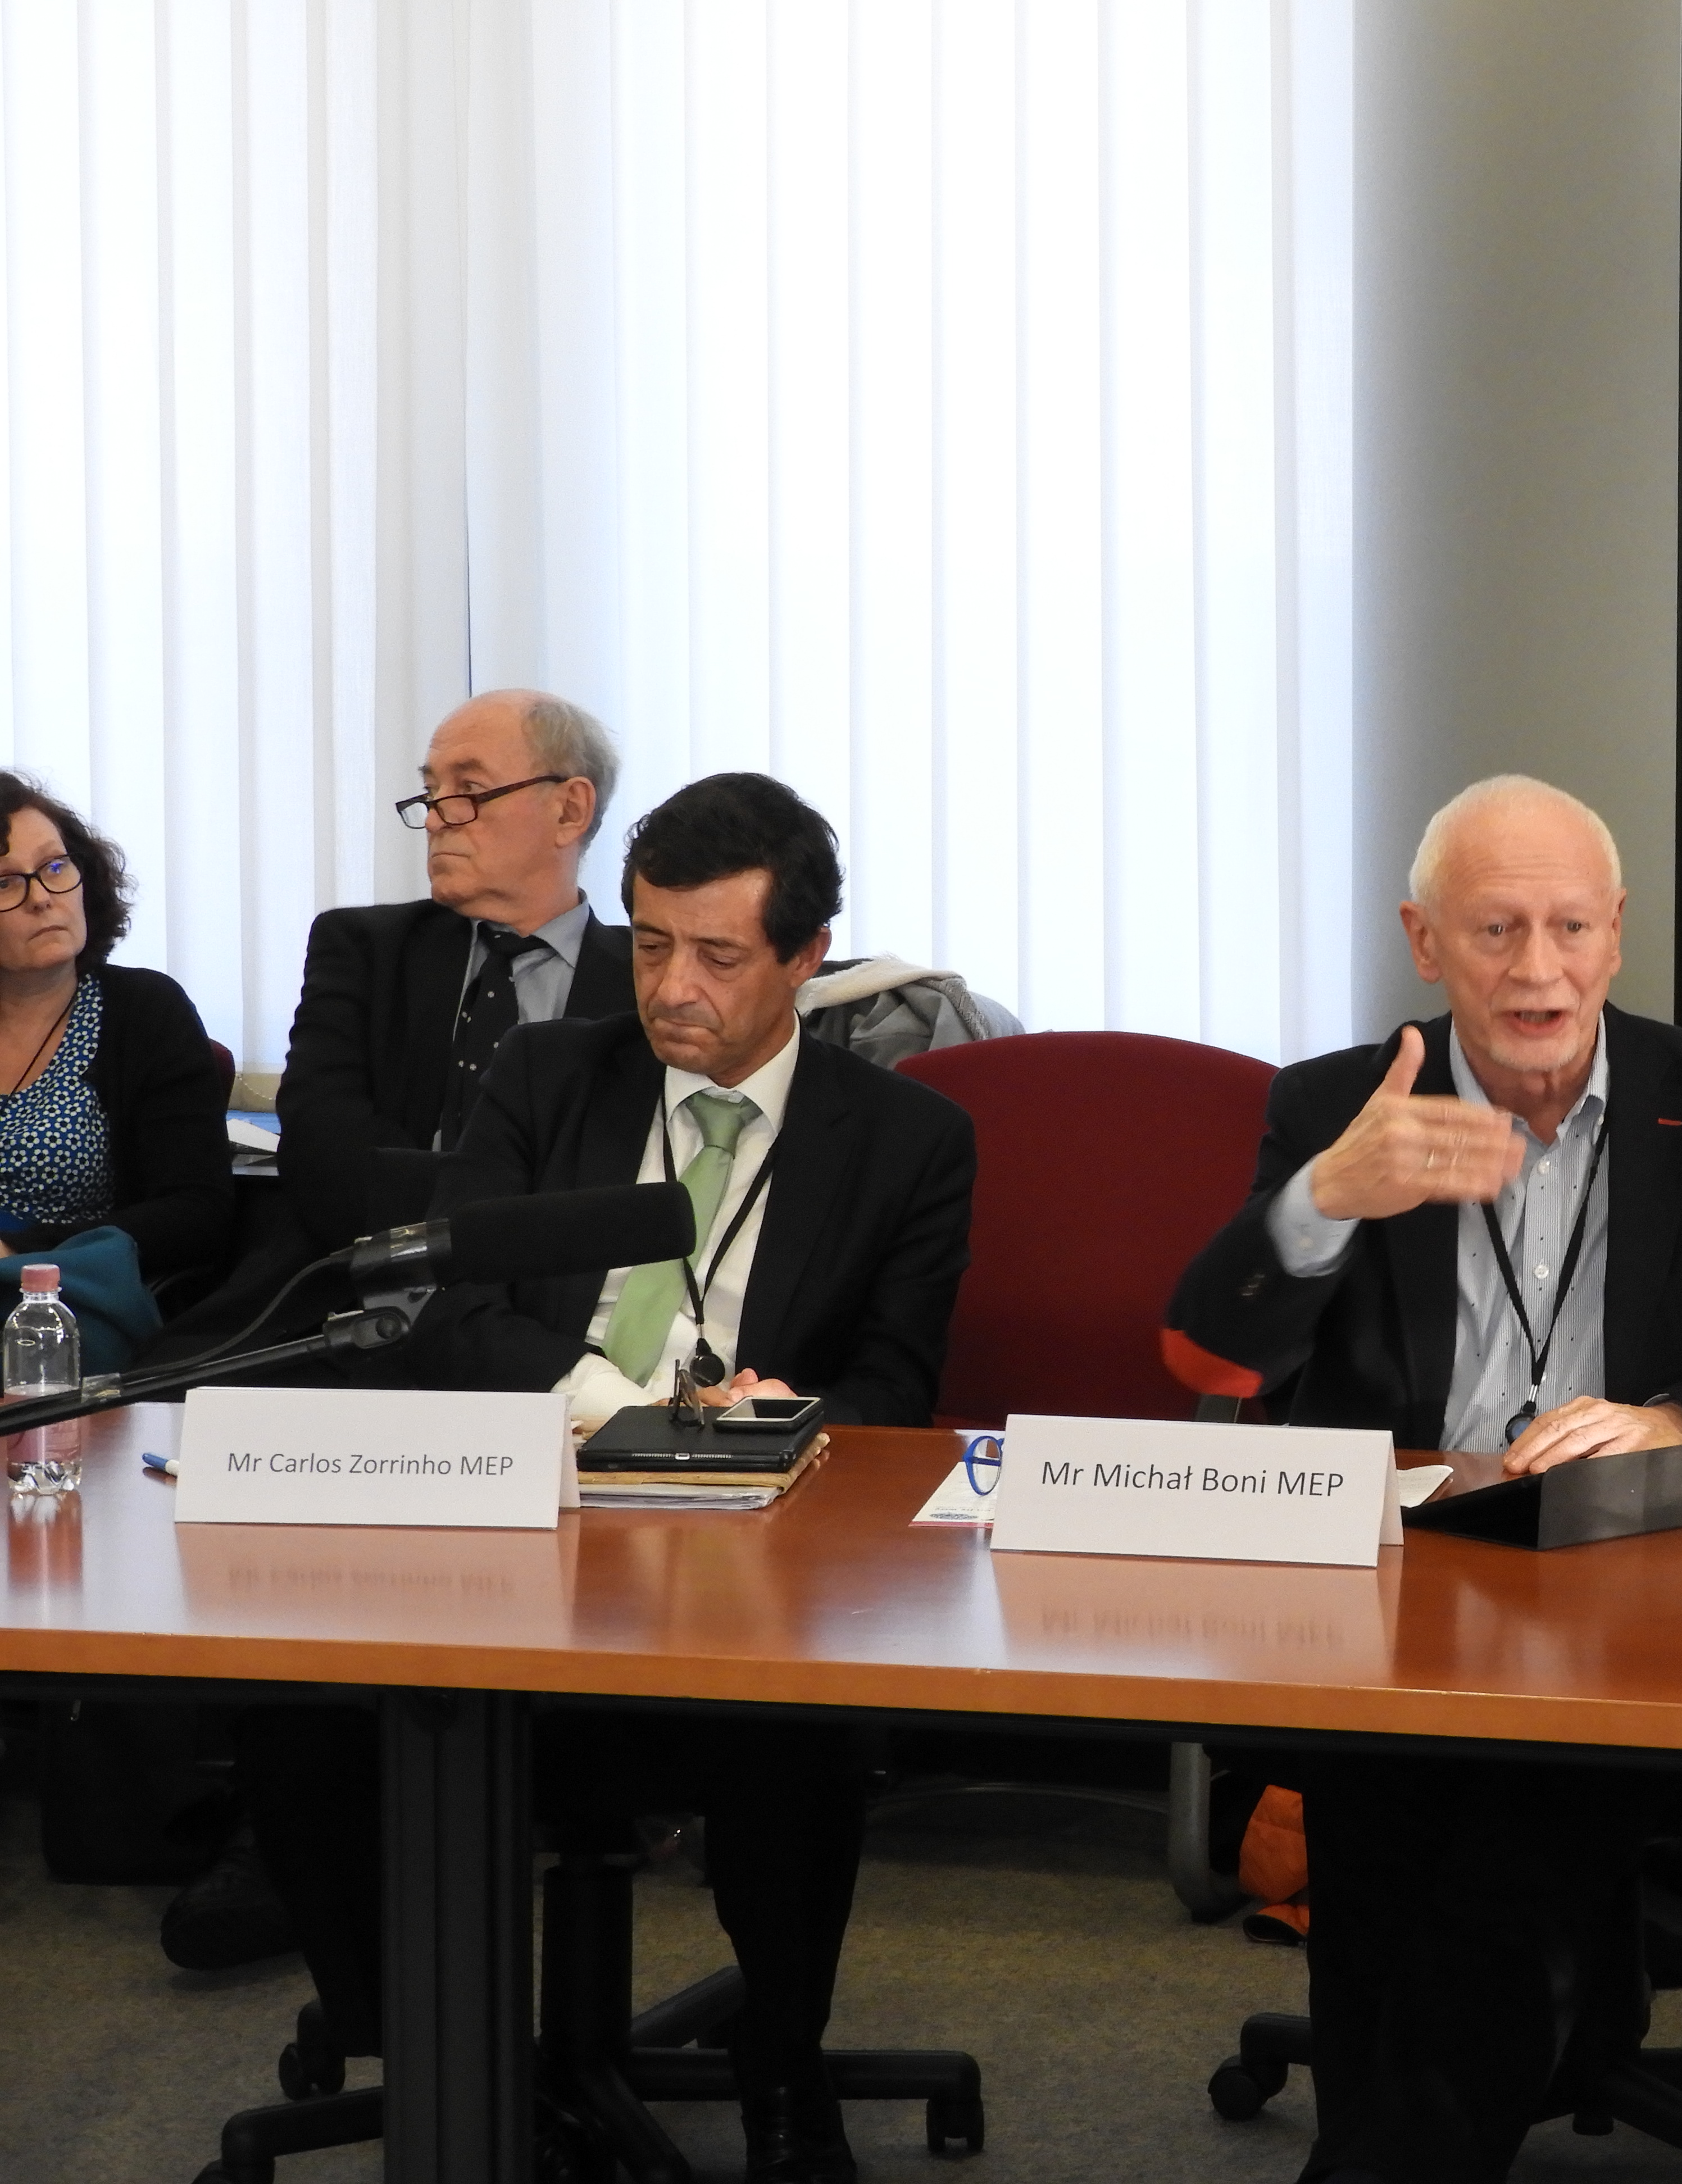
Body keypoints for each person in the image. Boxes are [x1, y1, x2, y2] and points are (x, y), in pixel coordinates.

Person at [240, 772, 978, 2184]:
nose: (672, 989)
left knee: (792, 1738)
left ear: (806, 956)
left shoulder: (905, 1140)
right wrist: (622, 1410)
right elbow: (451, 1308)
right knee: (303, 1703)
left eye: (717, 955)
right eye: (650, 945)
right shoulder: (549, 1077)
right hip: (525, 1530)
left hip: (746, 1572)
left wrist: (791, 1416)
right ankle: (442, 2062)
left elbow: (898, 1385)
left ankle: (782, 2074)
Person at [1169, 774, 1682, 2184]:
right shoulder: (1340, 1105)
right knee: (1400, 1805)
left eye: (1569, 927)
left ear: (1618, 931)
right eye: (1495, 929)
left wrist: (1676, 1419)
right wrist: (1324, 1199)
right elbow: (1212, 1349)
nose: (1537, 969)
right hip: (1403, 1586)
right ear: (1423, 942)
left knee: (1512, 1809)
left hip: (1651, 1582)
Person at [274, 688, 635, 1249]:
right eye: (431, 792)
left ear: (570, 810)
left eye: (468, 790)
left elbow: (627, 1183)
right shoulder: (364, 950)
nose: (436, 819)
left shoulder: (647, 980)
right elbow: (323, 1157)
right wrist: (523, 1211)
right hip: (373, 1271)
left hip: (569, 1286)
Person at [0, 772, 230, 1353]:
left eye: (55, 867)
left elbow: (198, 1212)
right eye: (7, 882)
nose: (43, 897)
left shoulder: (144, 1010)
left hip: (63, 1309)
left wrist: (24, 1250)